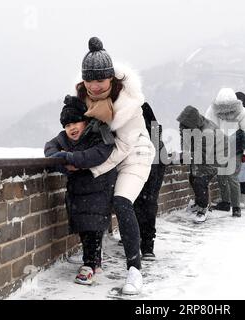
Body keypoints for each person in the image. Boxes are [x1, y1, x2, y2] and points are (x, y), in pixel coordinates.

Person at [74, 37, 155, 295]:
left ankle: (134, 270)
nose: (94, 86)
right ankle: (92, 260)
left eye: (100, 80)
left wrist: (90, 168)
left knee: (121, 202)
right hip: (107, 155)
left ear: (112, 79)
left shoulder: (129, 105)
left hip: (135, 154)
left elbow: (122, 148)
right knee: (92, 198)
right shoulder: (83, 99)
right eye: (89, 80)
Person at [44, 95, 117, 285]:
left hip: (99, 188)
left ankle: (89, 265)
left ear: (85, 121)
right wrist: (63, 163)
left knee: (93, 226)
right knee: (85, 228)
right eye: (67, 126)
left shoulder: (97, 133)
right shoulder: (63, 139)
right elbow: (50, 148)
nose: (72, 128)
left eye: (76, 122)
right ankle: (95, 261)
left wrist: (72, 158)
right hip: (78, 191)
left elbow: (99, 153)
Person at [205, 88, 245, 217]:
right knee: (222, 176)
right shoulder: (213, 110)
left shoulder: (243, 113)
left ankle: (236, 207)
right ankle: (226, 203)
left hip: (234, 148)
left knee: (232, 177)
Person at [177, 105, 225, 223]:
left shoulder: (206, 132)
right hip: (202, 156)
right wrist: (185, 151)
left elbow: (204, 155)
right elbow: (185, 142)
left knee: (200, 181)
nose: (181, 128)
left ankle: (203, 209)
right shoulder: (189, 126)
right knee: (192, 178)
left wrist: (187, 156)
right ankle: (199, 204)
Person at [132, 102, 167, 260]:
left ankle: (147, 245)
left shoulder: (139, 107)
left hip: (154, 159)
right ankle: (137, 236)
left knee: (147, 201)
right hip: (140, 156)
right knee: (137, 201)